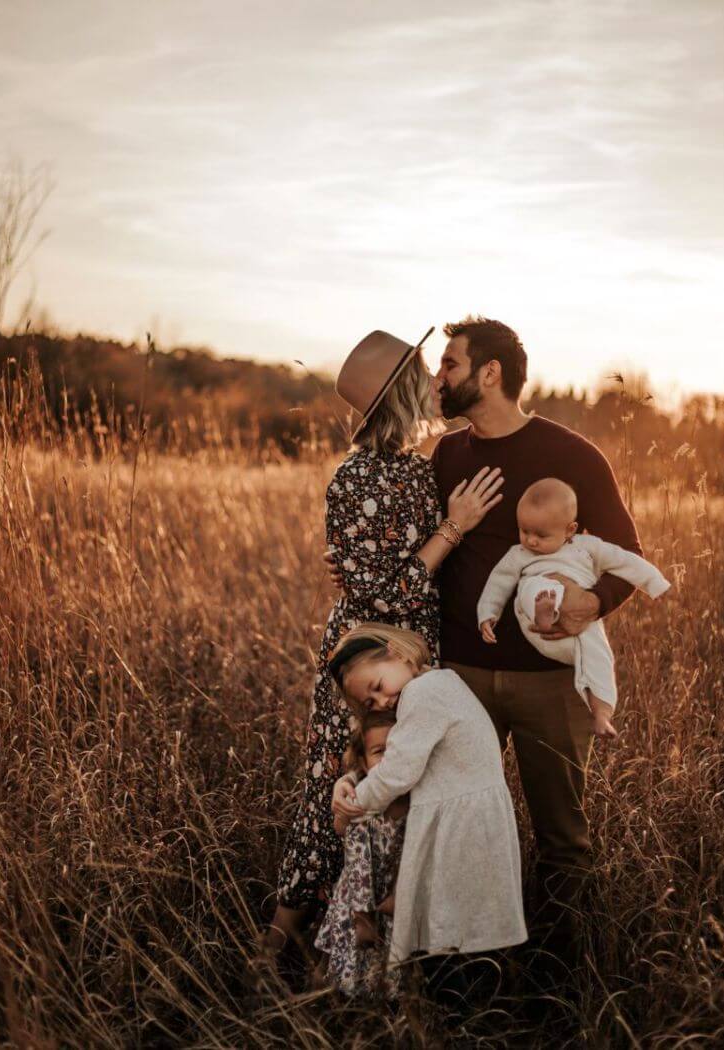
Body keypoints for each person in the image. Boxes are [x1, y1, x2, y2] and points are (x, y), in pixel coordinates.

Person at [267, 327, 504, 953]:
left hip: (414, 658)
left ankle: (378, 952)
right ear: (400, 393)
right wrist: (453, 528)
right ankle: (278, 947)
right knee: (333, 792)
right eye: (424, 373)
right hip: (367, 660)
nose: (435, 383)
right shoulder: (357, 477)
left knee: (399, 796)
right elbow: (385, 595)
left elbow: (399, 576)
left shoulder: (413, 469)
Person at [431, 314, 648, 957]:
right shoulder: (445, 455)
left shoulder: (573, 456)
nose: (438, 378)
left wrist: (593, 598)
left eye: (450, 365)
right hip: (462, 678)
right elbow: (422, 549)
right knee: (458, 823)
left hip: (553, 683)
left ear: (489, 373)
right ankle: (467, 966)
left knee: (562, 837)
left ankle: (561, 976)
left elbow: (626, 554)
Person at [330, 623, 528, 1005]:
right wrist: (353, 779)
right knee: (466, 917)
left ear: (398, 653)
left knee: (453, 923)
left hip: (463, 823)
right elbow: (396, 755)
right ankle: (472, 1001)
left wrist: (353, 806)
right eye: (370, 704)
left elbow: (397, 770)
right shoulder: (440, 683)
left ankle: (460, 1010)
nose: (382, 702)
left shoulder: (423, 694)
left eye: (376, 687)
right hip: (467, 815)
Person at [478, 477, 671, 739]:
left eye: (541, 535)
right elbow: (498, 582)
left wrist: (655, 584)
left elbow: (625, 560)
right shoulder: (519, 554)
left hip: (577, 629)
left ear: (570, 530)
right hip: (536, 627)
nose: (531, 541)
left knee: (599, 651)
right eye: (525, 531)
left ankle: (601, 712)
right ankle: (546, 609)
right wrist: (488, 615)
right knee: (533, 588)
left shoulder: (587, 548)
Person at [313, 708, 407, 999]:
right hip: (358, 899)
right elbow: (357, 862)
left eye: (397, 749)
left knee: (386, 967)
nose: (389, 759)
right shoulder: (363, 803)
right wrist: (362, 914)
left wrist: (401, 892)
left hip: (395, 897)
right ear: (364, 765)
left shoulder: (416, 799)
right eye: (379, 752)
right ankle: (323, 1007)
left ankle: (381, 1011)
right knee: (344, 961)